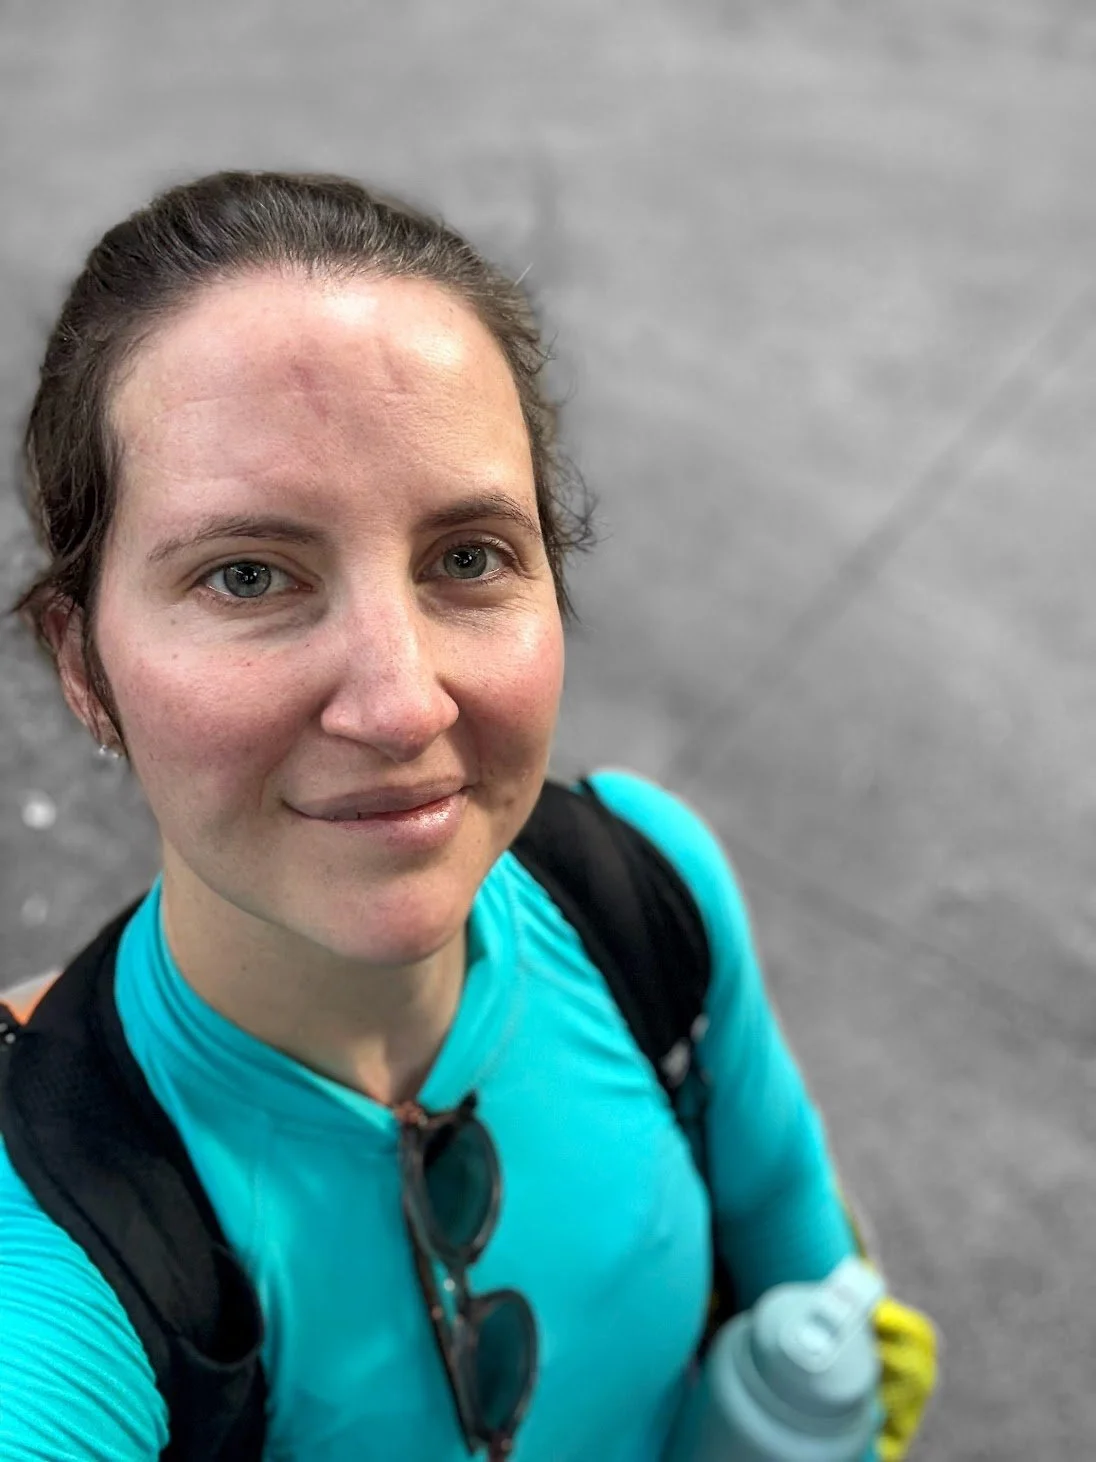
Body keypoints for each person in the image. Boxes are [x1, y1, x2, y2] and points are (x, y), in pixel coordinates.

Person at [0, 171, 881, 1461]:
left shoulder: (648, 890)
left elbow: (803, 1254)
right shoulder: (60, 1248)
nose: (402, 703)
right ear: (84, 664)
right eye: (248, 575)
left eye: (468, 558)